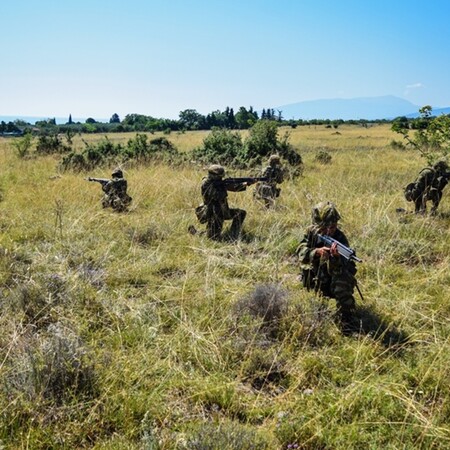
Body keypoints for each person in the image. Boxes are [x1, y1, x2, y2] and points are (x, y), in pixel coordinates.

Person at [296, 201, 357, 327]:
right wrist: (316, 252)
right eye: (324, 228)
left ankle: (346, 320)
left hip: (332, 280)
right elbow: (300, 252)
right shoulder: (311, 233)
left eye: (333, 227)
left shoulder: (340, 239)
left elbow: (343, 269)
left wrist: (335, 258)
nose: (329, 232)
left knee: (343, 280)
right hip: (314, 277)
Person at [197, 164, 255, 241]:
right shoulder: (207, 183)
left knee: (240, 213)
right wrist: (224, 186)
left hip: (223, 210)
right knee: (214, 237)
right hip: (213, 213)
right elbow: (217, 196)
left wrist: (246, 184)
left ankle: (234, 234)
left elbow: (234, 188)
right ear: (214, 175)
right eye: (219, 176)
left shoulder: (219, 183)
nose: (221, 178)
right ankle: (200, 233)